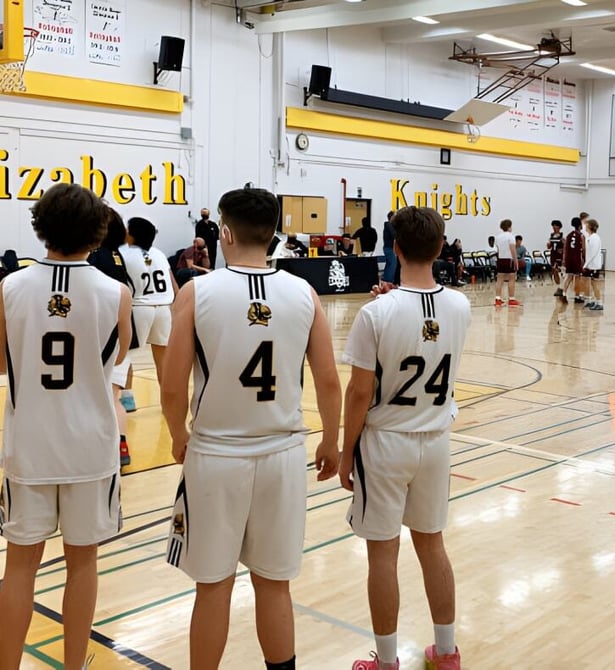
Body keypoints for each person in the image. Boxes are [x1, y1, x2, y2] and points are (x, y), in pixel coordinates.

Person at [161, 187, 342, 670]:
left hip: (217, 456)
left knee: (213, 588)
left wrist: (178, 433)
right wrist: (331, 437)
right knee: (274, 584)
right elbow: (327, 378)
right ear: (275, 234)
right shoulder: (303, 293)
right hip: (283, 455)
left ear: (224, 231)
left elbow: (173, 384)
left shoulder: (197, 292)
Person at [0, 183, 131, 670]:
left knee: (18, 569)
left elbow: (1, 361)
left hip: (30, 446)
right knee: (82, 565)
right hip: (90, 448)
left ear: (40, 227)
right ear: (97, 234)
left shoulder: (10, 287)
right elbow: (118, 357)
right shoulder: (116, 292)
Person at [335, 206, 471, 670]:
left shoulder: (376, 313)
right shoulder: (461, 305)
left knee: (383, 554)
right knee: (432, 544)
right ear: (440, 248)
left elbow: (359, 393)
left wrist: (345, 451)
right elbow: (426, 320)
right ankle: (447, 652)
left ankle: (387, 661)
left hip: (386, 442)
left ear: (394, 247)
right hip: (435, 440)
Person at [87, 208, 135, 466]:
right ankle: (122, 443)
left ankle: (109, 448)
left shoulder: (95, 257)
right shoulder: (118, 256)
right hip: (121, 332)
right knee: (114, 396)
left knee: (102, 397)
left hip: (102, 336)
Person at [119, 217, 177, 383]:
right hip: (164, 308)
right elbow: (172, 283)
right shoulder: (159, 253)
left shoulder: (122, 253)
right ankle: (166, 399)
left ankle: (127, 399)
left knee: (125, 356)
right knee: (163, 359)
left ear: (132, 235)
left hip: (139, 308)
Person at [494, 219, 519, 307]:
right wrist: (516, 262)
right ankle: (511, 299)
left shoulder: (498, 237)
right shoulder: (511, 236)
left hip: (500, 259)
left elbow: (498, 249)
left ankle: (497, 299)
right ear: (509, 227)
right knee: (512, 278)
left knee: (499, 279)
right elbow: (513, 250)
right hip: (509, 260)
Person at [561, 218, 586, 303]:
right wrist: (584, 258)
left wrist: (564, 260)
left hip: (569, 258)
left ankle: (563, 293)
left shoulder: (568, 235)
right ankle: (577, 296)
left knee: (569, 276)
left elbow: (565, 248)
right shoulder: (581, 235)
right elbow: (584, 249)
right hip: (576, 258)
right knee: (578, 277)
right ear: (579, 225)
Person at [583, 219, 604, 311]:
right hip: (590, 265)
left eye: (586, 225)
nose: (585, 227)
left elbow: (593, 253)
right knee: (591, 283)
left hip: (594, 265)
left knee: (595, 284)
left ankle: (599, 302)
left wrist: (585, 264)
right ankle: (593, 301)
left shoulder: (595, 237)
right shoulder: (589, 237)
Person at [548, 220, 565, 296]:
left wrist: (562, 249)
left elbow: (565, 245)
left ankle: (562, 287)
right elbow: (549, 247)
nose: (554, 227)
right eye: (553, 226)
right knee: (554, 271)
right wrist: (548, 245)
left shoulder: (562, 236)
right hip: (553, 255)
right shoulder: (551, 236)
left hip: (559, 256)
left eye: (555, 226)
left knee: (559, 270)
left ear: (559, 227)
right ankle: (558, 287)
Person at [382, 211, 397, 283]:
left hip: (388, 247)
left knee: (389, 264)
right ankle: (389, 280)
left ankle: (385, 278)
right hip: (389, 248)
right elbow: (394, 235)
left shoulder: (388, 225)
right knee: (393, 264)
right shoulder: (389, 225)